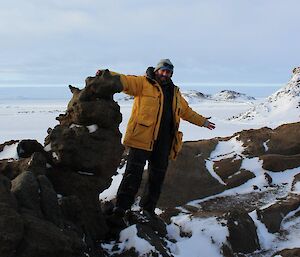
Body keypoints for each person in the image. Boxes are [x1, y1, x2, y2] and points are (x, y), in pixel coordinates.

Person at [96, 59, 215, 223]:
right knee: (133, 174)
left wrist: (203, 122)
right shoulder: (143, 83)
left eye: (168, 72)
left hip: (164, 142)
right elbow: (124, 80)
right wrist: (106, 74)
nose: (165, 74)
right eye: (163, 71)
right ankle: (121, 209)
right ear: (157, 70)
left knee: (156, 178)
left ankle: (148, 209)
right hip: (141, 138)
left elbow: (187, 112)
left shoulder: (175, 93)